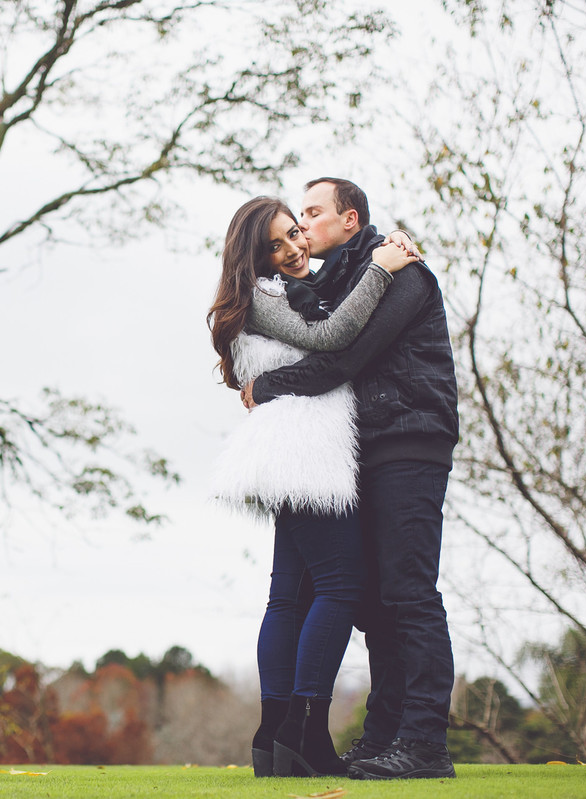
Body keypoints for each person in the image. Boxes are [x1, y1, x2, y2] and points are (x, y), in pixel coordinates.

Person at [242, 178, 459, 780]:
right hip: (364, 452)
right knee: (376, 605)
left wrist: (265, 388)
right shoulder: (338, 282)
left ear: (350, 219)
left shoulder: (401, 273)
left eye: (312, 213)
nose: (303, 226)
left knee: (411, 596)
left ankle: (424, 744)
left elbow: (343, 360)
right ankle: (385, 735)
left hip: (409, 441)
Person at [207, 196, 418, 778]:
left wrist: (372, 251)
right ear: (254, 257)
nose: (295, 248)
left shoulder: (281, 291)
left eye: (296, 232)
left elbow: (326, 306)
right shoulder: (263, 297)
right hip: (303, 451)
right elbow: (332, 337)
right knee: (341, 585)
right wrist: (383, 267)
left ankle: (274, 735)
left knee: (289, 596)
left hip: (288, 450)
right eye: (276, 244)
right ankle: (304, 731)